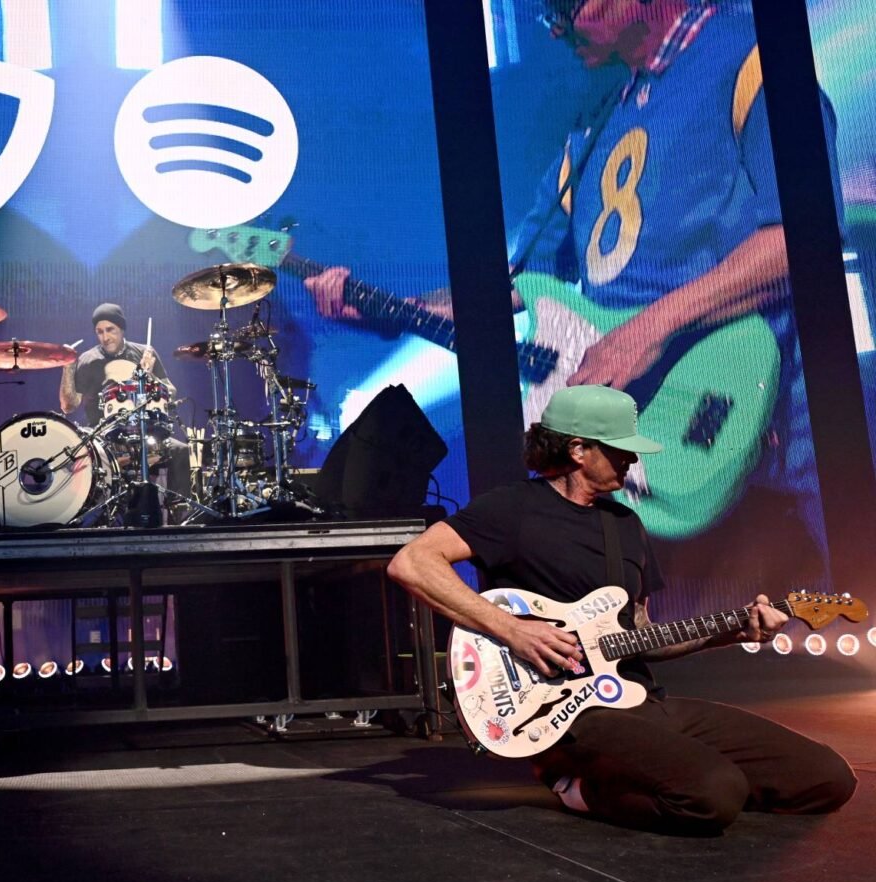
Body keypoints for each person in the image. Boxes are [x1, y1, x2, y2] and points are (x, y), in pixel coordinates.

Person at [304, 0, 837, 599]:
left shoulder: (751, 58)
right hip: (636, 439)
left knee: (806, 628)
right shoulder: (595, 122)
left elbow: (802, 239)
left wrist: (646, 331)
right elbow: (518, 285)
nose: (555, 28)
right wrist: (390, 310)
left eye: (566, 7)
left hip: (752, 416)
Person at [386, 384, 855, 834]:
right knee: (713, 794)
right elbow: (413, 562)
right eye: (619, 449)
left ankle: (669, 776)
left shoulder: (625, 525)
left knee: (827, 779)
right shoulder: (512, 509)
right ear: (577, 450)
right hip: (567, 714)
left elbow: (643, 635)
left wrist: (735, 631)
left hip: (639, 698)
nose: (631, 459)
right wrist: (513, 630)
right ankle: (579, 788)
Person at [58, 302, 193, 505]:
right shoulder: (87, 360)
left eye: (110, 329)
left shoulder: (144, 353)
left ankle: (180, 512)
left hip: (143, 433)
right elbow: (68, 407)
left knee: (180, 451)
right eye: (100, 332)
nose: (105, 337)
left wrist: (148, 376)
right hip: (103, 436)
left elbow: (171, 393)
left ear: (122, 329)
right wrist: (67, 367)